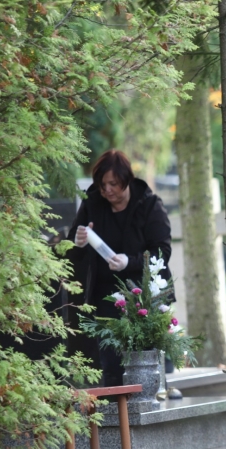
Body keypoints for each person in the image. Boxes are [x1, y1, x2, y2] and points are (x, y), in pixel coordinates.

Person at [68, 149, 172, 387]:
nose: (107, 190)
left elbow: (162, 252)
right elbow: (73, 241)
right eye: (102, 184)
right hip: (104, 296)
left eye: (113, 184)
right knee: (110, 364)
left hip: (143, 297)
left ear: (126, 180)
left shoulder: (149, 205)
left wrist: (130, 262)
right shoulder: (93, 202)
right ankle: (118, 414)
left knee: (143, 365)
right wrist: (79, 241)